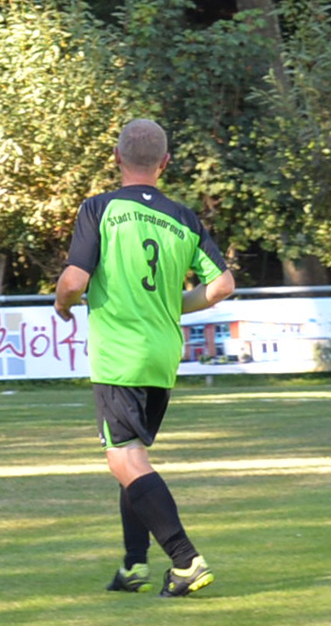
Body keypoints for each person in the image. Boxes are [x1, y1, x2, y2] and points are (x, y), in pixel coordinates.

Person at [54, 120, 235, 597]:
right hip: (162, 355)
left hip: (120, 354)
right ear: (165, 163)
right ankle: (134, 565)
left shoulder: (100, 208)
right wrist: (170, 304)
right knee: (132, 456)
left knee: (124, 459)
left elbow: (73, 280)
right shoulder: (184, 218)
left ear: (116, 157)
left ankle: (185, 559)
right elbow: (222, 286)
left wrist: (62, 305)